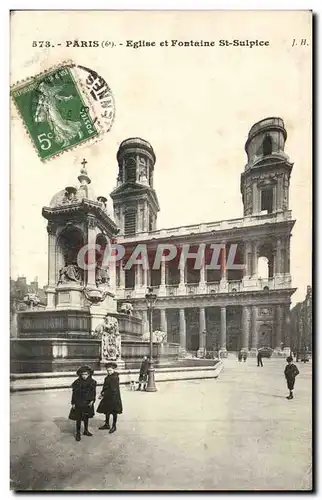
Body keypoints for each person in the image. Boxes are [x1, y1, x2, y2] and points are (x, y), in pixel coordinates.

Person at [69, 365, 97, 442]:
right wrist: (73, 403)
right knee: (78, 418)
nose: (84, 376)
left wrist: (92, 400)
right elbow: (74, 393)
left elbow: (93, 392)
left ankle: (86, 430)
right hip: (79, 402)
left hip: (88, 402)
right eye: (83, 374)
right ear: (80, 375)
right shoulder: (77, 382)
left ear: (89, 374)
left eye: (86, 374)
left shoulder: (92, 382)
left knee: (86, 417)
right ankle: (78, 433)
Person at [97, 362, 123, 433]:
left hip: (114, 397)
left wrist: (104, 393)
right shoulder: (107, 377)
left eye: (110, 370)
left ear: (113, 370)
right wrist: (102, 393)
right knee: (107, 411)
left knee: (114, 412)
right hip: (107, 397)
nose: (109, 372)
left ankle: (114, 426)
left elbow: (113, 389)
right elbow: (105, 387)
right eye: (107, 370)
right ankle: (107, 424)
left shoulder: (115, 377)